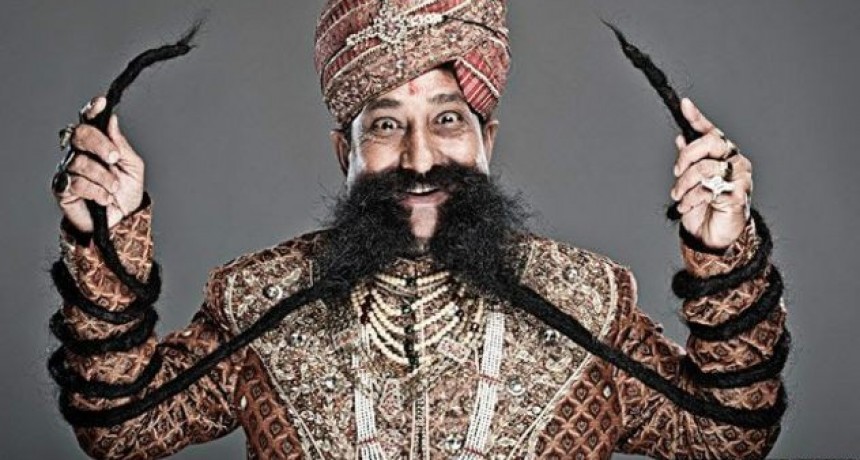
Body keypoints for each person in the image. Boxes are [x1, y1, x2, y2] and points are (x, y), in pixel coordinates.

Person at [49, 1, 788, 458]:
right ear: (344, 152)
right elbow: (121, 429)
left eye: (447, 119)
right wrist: (106, 238)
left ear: (486, 138)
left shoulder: (587, 299)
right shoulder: (259, 300)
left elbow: (727, 435)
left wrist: (721, 250)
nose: (420, 157)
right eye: (384, 126)